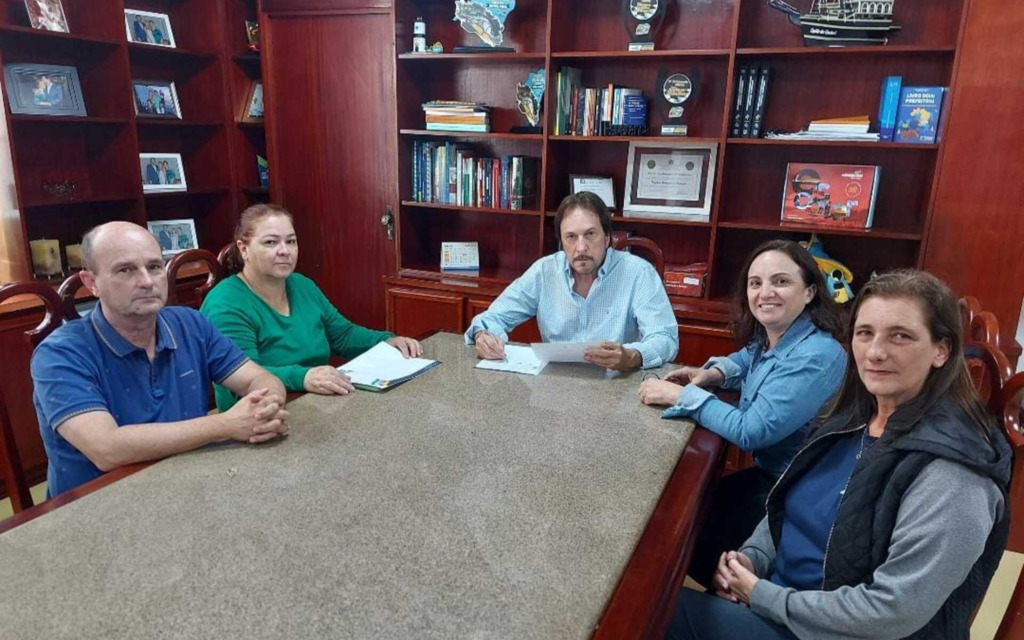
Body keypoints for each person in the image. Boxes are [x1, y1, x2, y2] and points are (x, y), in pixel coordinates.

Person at [651, 269, 1011, 640]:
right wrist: (753, 558)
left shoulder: (953, 474)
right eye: (864, 333)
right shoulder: (856, 418)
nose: (875, 352)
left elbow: (891, 610)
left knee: (644, 616)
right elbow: (789, 504)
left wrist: (764, 597)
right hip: (796, 614)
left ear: (941, 351)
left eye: (900, 336)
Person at [638, 239, 846, 588]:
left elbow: (752, 431)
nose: (766, 292)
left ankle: (735, 599)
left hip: (796, 493)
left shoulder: (816, 355)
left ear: (809, 291)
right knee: (679, 512)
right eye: (756, 283)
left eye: (781, 281)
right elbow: (748, 356)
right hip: (772, 475)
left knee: (675, 533)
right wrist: (712, 374)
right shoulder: (782, 335)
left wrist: (682, 395)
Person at [31, 222, 289, 499]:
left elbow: (259, 379)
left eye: (154, 267)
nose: (147, 281)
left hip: (189, 488)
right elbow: (107, 449)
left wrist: (266, 409)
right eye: (126, 270)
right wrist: (227, 425)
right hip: (96, 508)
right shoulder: (60, 353)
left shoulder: (190, 324)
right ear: (91, 282)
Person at [201, 204, 422, 411]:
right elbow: (241, 375)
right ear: (244, 249)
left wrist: (386, 342)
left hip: (316, 403)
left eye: (291, 241)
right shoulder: (225, 303)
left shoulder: (302, 285)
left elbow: (343, 335)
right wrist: (304, 377)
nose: (284, 251)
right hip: (259, 417)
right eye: (270, 242)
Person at [465, 192, 678, 371]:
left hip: (616, 385)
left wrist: (632, 356)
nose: (581, 247)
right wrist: (484, 335)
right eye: (571, 237)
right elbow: (492, 317)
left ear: (607, 238)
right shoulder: (544, 271)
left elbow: (665, 338)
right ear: (561, 242)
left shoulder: (638, 273)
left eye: (590, 234)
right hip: (557, 387)